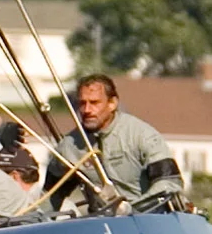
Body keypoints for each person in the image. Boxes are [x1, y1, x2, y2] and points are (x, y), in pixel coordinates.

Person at [53, 73, 183, 210]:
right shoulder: (69, 147)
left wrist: (131, 210)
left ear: (112, 103)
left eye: (94, 103)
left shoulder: (142, 135)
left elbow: (169, 183)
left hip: (149, 219)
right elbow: (49, 195)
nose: (87, 110)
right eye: (82, 103)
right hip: (100, 224)